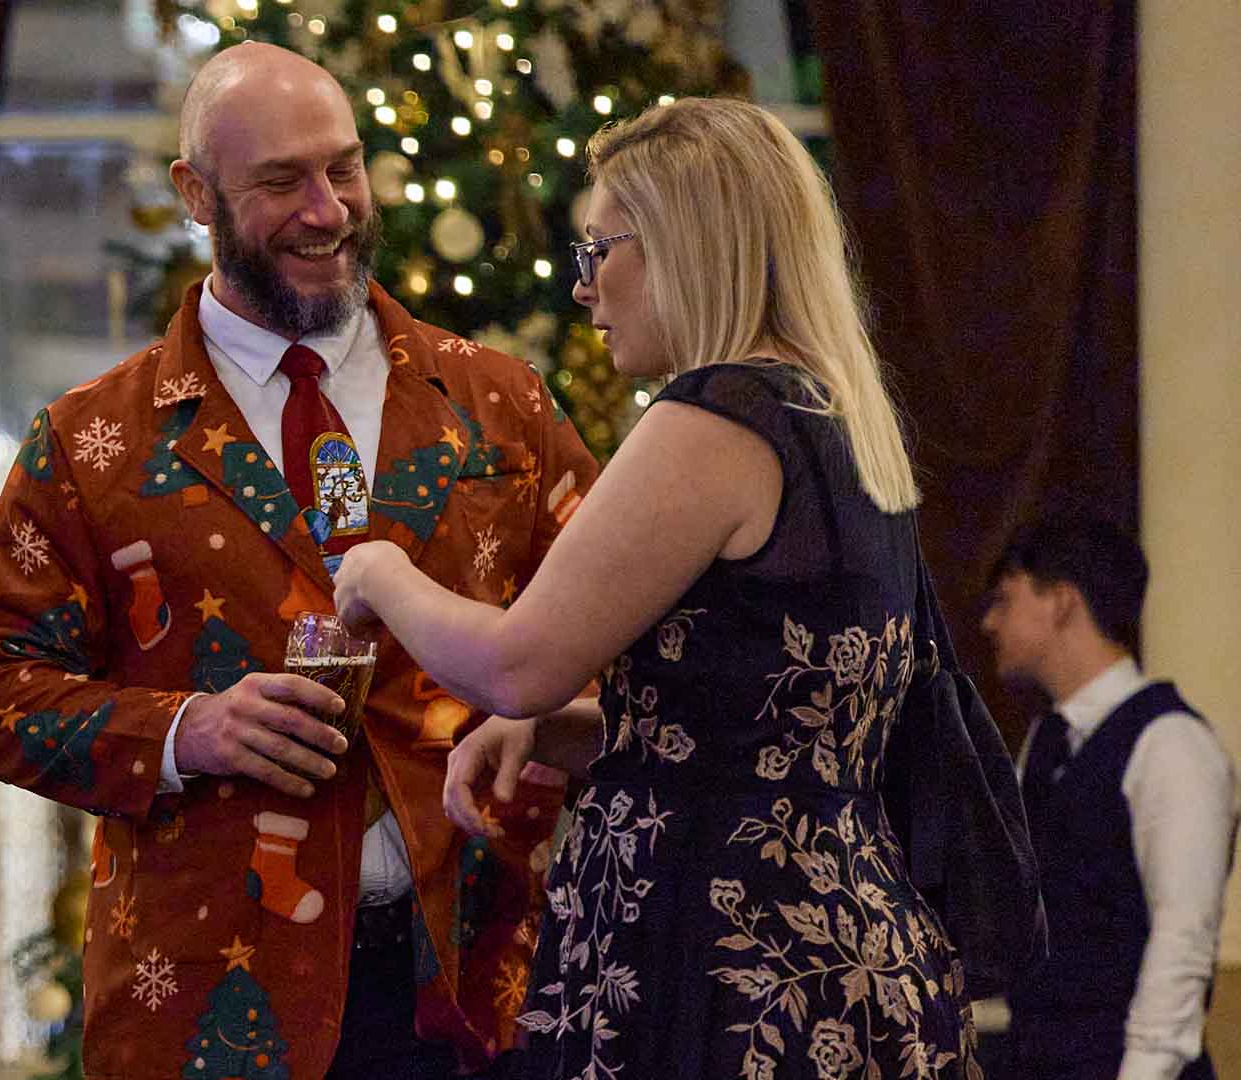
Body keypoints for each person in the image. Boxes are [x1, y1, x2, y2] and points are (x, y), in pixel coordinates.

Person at [0, 42, 600, 1080]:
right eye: (281, 182)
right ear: (195, 195)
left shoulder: (498, 404)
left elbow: (624, 632)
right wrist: (185, 731)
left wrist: (543, 716)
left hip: (483, 992)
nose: (328, 210)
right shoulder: (90, 442)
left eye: (343, 168)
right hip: (213, 1008)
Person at [332, 97, 982, 1078]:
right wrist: (575, 734)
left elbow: (519, 664)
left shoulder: (714, 419)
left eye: (599, 251)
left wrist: (380, 573)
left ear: (682, 244)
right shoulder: (835, 417)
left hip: (721, 957)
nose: (585, 291)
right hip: (844, 949)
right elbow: (769, 731)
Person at [980, 515, 1237, 1080]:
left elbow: (1182, 943)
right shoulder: (1046, 740)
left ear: (1062, 602)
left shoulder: (1172, 744)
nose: (990, 622)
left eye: (1005, 599)